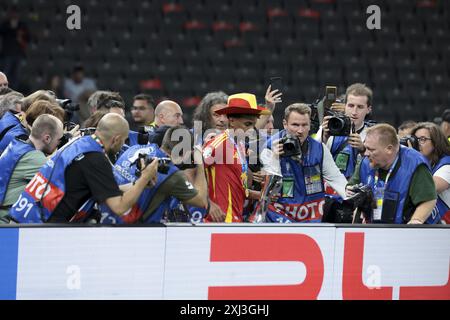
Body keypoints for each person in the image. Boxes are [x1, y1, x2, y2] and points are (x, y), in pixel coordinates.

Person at [8, 113, 158, 223]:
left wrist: (138, 184)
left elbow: (108, 187)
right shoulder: (95, 159)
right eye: (124, 140)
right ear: (116, 139)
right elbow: (118, 207)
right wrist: (145, 177)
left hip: (25, 215)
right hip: (39, 227)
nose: (123, 144)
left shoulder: (81, 143)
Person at [96, 125, 208, 224]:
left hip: (105, 215)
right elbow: (201, 201)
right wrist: (200, 164)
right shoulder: (170, 173)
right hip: (133, 229)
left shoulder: (135, 148)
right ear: (186, 153)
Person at [260, 103, 348, 223]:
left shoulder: (320, 149)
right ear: (285, 124)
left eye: (304, 125)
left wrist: (352, 199)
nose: (300, 131)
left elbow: (338, 180)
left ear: (309, 125)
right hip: (279, 216)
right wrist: (274, 159)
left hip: (310, 217)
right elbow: (268, 191)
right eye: (295, 125)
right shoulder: (270, 147)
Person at [347, 123, 437, 224]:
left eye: (371, 149)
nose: (366, 153)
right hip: (373, 228)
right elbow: (350, 187)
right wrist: (350, 192)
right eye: (366, 147)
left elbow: (428, 199)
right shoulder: (365, 163)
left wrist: (415, 222)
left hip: (403, 230)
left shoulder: (415, 164)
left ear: (389, 149)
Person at [202, 93, 270, 223]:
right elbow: (190, 172)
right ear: (231, 120)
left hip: (235, 220)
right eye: (247, 124)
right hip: (220, 222)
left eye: (253, 125)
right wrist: (208, 203)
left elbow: (238, 187)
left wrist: (261, 196)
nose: (251, 130)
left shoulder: (239, 145)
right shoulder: (219, 144)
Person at [0, 114, 64, 222]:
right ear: (47, 138)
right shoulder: (34, 158)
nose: (59, 143)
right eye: (59, 140)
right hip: (6, 224)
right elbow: (61, 177)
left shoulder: (18, 145)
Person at [317, 83, 374, 179]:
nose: (354, 112)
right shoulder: (329, 127)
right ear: (344, 106)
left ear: (368, 109)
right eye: (351, 106)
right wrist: (324, 137)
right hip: (329, 188)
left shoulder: (373, 135)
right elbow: (312, 159)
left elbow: (377, 170)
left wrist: (363, 150)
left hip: (356, 189)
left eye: (360, 107)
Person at [411, 122, 450, 223]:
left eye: (423, 139)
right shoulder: (423, 163)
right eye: (415, 139)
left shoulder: (447, 164)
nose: (417, 143)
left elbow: (428, 188)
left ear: (436, 142)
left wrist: (411, 158)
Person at [0, 8, 29, 89]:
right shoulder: (5, 24)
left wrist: (20, 37)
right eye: (13, 14)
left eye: (16, 14)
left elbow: (27, 37)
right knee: (5, 74)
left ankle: (14, 91)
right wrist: (11, 28)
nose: (14, 16)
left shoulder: (22, 25)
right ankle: (3, 91)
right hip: (7, 54)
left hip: (18, 54)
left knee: (16, 76)